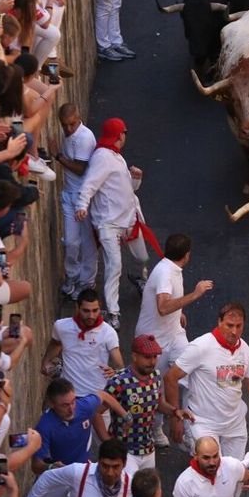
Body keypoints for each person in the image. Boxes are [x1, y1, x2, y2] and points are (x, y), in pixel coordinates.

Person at [31, 379, 127, 497]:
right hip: (57, 477)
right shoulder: (44, 426)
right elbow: (36, 465)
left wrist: (125, 415)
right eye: (64, 405)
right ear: (52, 404)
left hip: (84, 473)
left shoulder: (84, 406)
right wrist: (52, 467)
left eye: (73, 401)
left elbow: (103, 395)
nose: (71, 408)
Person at [164, 302, 249, 458]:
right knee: (210, 470)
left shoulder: (244, 349)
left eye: (238, 326)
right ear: (219, 322)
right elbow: (171, 377)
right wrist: (175, 417)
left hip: (234, 425)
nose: (234, 331)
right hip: (203, 424)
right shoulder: (201, 347)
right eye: (229, 326)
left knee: (234, 476)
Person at [76, 118, 152, 328]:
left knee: (142, 256)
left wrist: (136, 178)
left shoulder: (115, 157)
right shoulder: (103, 157)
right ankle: (113, 312)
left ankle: (142, 280)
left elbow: (127, 188)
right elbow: (89, 184)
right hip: (109, 224)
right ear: (120, 135)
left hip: (128, 220)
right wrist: (81, 205)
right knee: (114, 266)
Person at [136, 233, 212, 432]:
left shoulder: (172, 267)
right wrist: (195, 295)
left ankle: (187, 425)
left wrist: (178, 312)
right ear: (187, 255)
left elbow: (168, 302)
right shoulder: (165, 272)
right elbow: (163, 306)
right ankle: (157, 428)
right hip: (154, 340)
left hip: (175, 334)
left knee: (190, 372)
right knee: (155, 388)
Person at [105, 334, 194, 474]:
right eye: (147, 357)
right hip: (124, 451)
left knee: (147, 492)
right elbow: (97, 412)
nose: (152, 362)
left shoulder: (155, 376)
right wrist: (107, 441)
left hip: (148, 449)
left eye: (155, 357)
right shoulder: (118, 381)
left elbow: (158, 403)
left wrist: (175, 411)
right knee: (127, 492)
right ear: (134, 356)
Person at [45, 289, 123, 398]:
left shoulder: (109, 332)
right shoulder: (61, 326)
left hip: (97, 398)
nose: (91, 315)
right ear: (77, 308)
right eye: (86, 311)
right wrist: (45, 362)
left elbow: (119, 365)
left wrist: (114, 372)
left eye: (95, 310)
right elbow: (55, 343)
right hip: (68, 397)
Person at [55, 104, 98, 301]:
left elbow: (80, 169)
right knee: (72, 242)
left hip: (85, 199)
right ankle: (72, 277)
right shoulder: (69, 135)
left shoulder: (85, 138)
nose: (69, 129)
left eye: (72, 124)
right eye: (65, 125)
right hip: (69, 197)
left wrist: (58, 156)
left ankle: (87, 282)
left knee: (88, 245)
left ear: (78, 117)